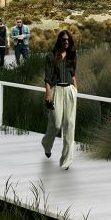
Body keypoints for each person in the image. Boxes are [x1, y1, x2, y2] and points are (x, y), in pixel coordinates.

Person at [43, 30, 79, 170]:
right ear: (59, 40)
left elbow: (73, 74)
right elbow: (47, 78)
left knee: (70, 125)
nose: (66, 42)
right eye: (64, 40)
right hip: (56, 90)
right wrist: (48, 94)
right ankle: (46, 144)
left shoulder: (73, 55)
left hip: (70, 91)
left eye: (68, 40)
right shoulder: (51, 56)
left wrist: (75, 90)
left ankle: (66, 161)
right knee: (56, 124)